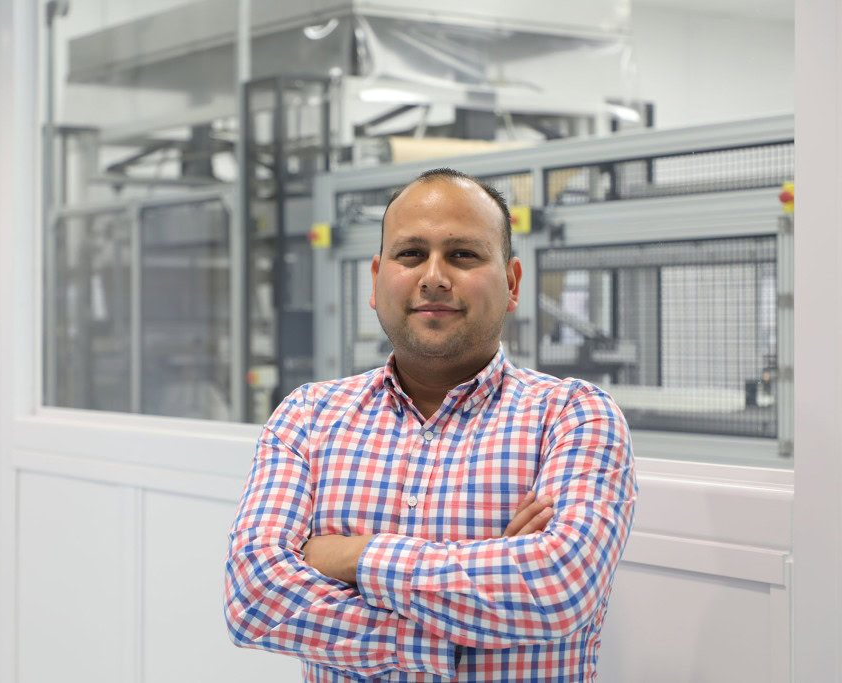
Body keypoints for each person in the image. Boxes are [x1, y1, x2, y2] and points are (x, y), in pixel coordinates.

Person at [225, 167, 637, 681]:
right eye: (411, 254)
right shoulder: (309, 417)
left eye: (462, 254)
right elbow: (253, 598)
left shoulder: (574, 417)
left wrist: (353, 556)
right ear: (376, 280)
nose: (434, 276)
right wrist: (471, 592)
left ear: (511, 283)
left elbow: (555, 590)